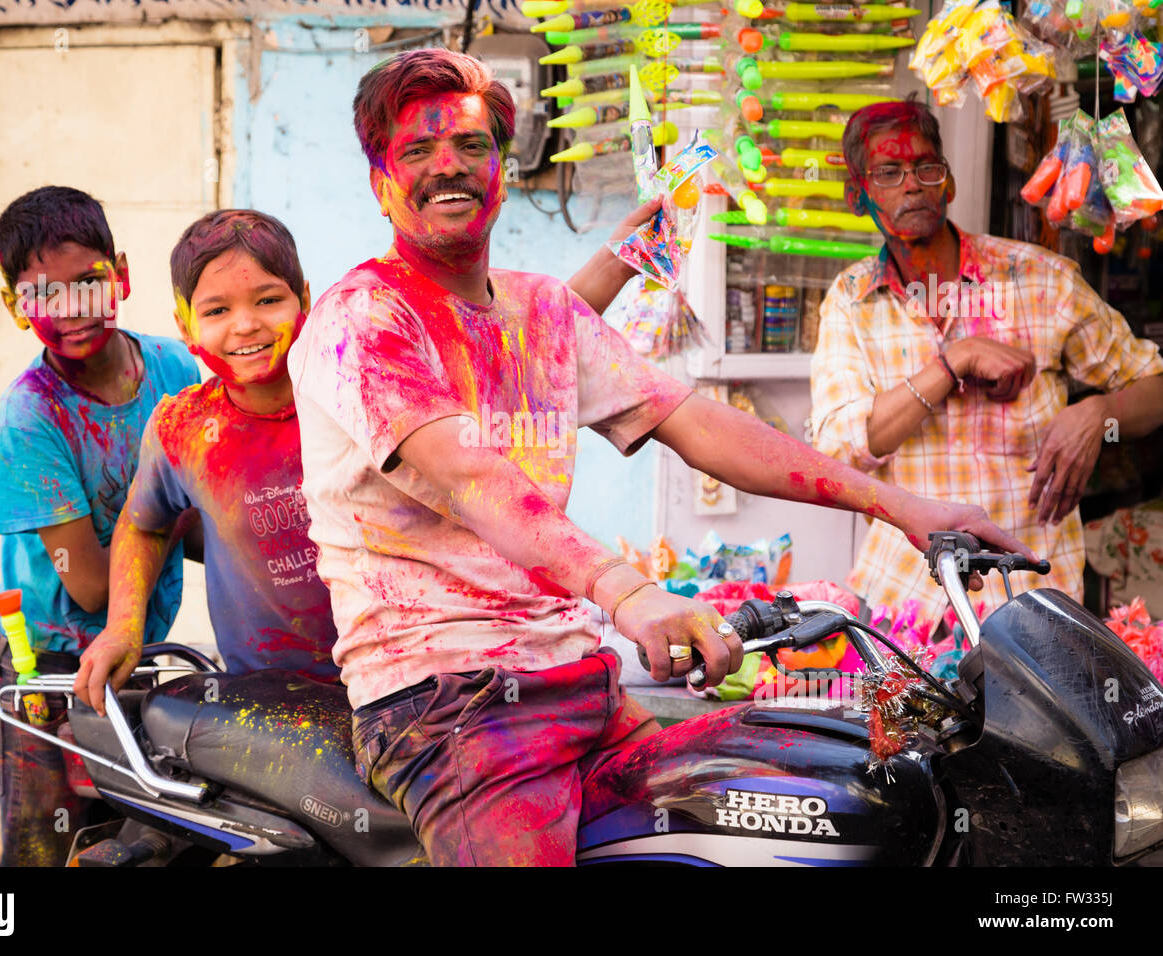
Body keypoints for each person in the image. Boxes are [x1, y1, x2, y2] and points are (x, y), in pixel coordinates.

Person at [289, 48, 1035, 866]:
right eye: (417, 150)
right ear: (379, 180)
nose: (449, 167)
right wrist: (630, 593)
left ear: (500, 165)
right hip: (448, 705)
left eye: (472, 145)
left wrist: (902, 510)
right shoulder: (364, 320)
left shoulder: (543, 309)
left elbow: (698, 422)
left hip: (577, 679)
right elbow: (468, 475)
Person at [73, 203, 656, 710]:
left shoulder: (362, 382)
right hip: (266, 709)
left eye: (268, 299)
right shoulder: (181, 428)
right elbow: (143, 524)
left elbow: (518, 345)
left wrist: (619, 261)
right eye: (217, 310)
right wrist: (123, 626)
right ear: (185, 324)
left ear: (306, 299)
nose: (245, 325)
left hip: (409, 689)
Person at [810, 98, 1163, 625]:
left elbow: (1154, 386)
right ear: (857, 194)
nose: (913, 185)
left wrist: (1097, 417)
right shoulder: (852, 300)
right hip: (908, 606)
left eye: (927, 167)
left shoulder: (1042, 280)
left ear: (947, 182)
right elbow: (838, 448)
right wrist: (954, 362)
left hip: (1036, 605)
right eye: (889, 172)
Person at [0, 186, 200, 866]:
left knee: (124, 851)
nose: (70, 310)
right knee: (50, 851)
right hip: (45, 678)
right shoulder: (30, 420)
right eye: (44, 295)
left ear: (122, 274)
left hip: (131, 663)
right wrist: (172, 506)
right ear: (19, 308)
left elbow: (202, 531)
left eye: (87, 283)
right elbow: (95, 590)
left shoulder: (174, 369)